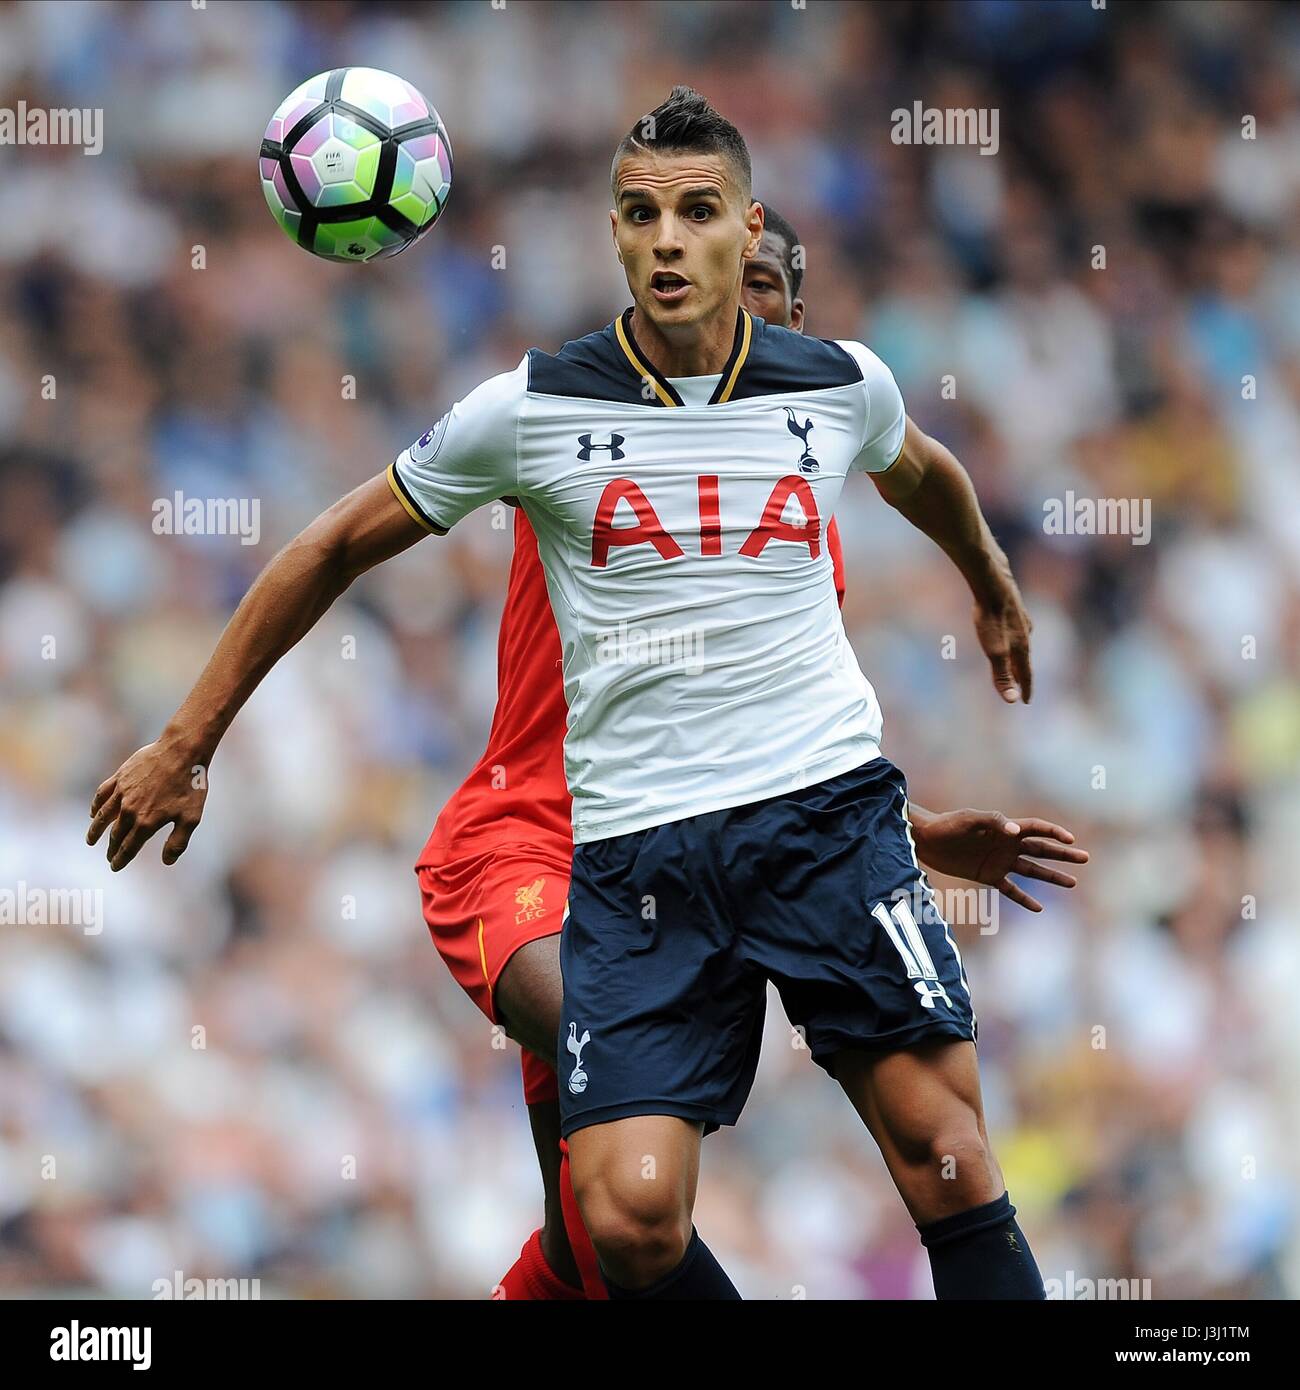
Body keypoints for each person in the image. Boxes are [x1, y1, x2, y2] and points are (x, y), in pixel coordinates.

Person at [90, 85, 1050, 1299]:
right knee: (623, 1198)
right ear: (614, 238)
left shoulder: (822, 429)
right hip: (556, 840)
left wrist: (962, 671)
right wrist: (188, 738)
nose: (680, 255)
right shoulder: (545, 418)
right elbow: (335, 541)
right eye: (644, 218)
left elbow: (799, 668)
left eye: (714, 231)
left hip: (795, 830)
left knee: (928, 1157)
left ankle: (558, 1270)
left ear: (767, 265)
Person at [417, 203, 1087, 1299]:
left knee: (603, 1236)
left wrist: (909, 833)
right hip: (539, 850)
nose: (730, 304)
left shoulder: (798, 518)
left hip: (725, 854)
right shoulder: (591, 436)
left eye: (761, 285)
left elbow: (774, 750)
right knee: (620, 1164)